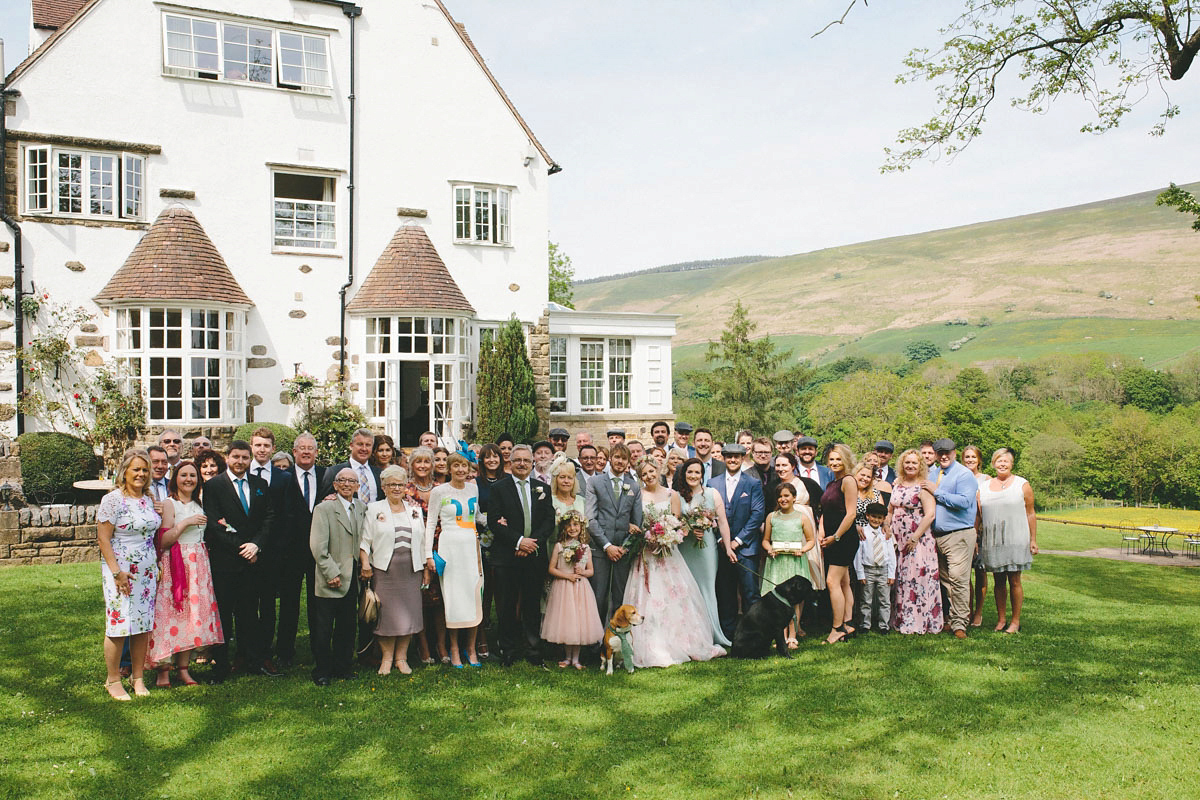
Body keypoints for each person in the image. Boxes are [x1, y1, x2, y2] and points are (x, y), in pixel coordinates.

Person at [623, 460, 725, 667]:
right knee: (648, 595)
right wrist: (641, 532)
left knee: (675, 596)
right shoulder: (637, 495)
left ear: (658, 470)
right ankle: (650, 643)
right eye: (644, 474)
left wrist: (666, 535)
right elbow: (630, 520)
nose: (649, 476)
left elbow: (677, 522)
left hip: (669, 554)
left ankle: (682, 641)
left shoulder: (673, 495)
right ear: (640, 477)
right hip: (646, 554)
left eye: (651, 471)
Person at [203, 439, 280, 681]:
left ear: (250, 460)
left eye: (245, 458)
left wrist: (256, 545)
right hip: (226, 561)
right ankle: (221, 665)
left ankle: (252, 660)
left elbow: (269, 517)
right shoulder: (215, 486)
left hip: (253, 562)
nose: (240, 462)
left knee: (249, 614)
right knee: (224, 615)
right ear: (227, 458)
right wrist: (242, 547)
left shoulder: (260, 484)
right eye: (236, 457)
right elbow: (215, 523)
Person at [146, 460, 222, 688]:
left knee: (191, 617)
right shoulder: (170, 504)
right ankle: (163, 672)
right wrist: (186, 523)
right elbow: (164, 540)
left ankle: (184, 669)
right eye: (183, 475)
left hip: (198, 563)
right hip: (177, 563)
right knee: (171, 615)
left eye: (192, 475)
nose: (188, 479)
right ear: (175, 479)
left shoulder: (200, 503)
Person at [98, 449, 161, 700]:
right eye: (136, 469)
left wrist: (156, 564)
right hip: (120, 570)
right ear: (124, 472)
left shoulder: (147, 498)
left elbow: (151, 534)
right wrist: (116, 572)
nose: (141, 474)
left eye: (145, 470)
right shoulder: (113, 500)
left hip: (146, 572)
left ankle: (138, 678)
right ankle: (113, 680)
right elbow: (103, 538)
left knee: (142, 625)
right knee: (119, 624)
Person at [360, 465, 431, 675]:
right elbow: (365, 540)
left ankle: (402, 658)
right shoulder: (374, 509)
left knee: (408, 614)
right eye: (392, 484)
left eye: (400, 484)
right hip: (384, 570)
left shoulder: (415, 509)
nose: (396, 488)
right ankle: (386, 658)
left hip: (411, 569)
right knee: (387, 616)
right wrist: (365, 563)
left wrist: (426, 568)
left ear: (405, 487)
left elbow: (423, 541)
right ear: (383, 487)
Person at [487, 444, 553, 666]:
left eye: (526, 460)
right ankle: (509, 649)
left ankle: (534, 649)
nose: (522, 464)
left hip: (534, 556)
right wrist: (518, 541)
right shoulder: (499, 488)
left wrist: (532, 543)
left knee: (532, 603)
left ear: (532, 462)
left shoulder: (542, 488)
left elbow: (548, 521)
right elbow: (493, 521)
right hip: (508, 556)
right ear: (510, 463)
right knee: (507, 605)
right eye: (518, 460)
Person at [309, 468, 366, 686]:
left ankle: (343, 667)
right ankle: (322, 670)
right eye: (342, 480)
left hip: (353, 576)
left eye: (352, 481)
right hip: (330, 575)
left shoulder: (361, 508)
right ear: (334, 485)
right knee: (324, 627)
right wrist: (330, 572)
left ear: (357, 486)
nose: (347, 484)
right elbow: (317, 546)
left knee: (347, 625)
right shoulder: (324, 509)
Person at [426, 453, 483, 667]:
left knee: (473, 595)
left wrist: (497, 520)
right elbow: (431, 523)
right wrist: (428, 555)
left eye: (464, 466)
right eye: (456, 466)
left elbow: (476, 517)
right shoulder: (439, 491)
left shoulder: (473, 488)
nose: (460, 470)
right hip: (450, 547)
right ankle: (455, 648)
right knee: (453, 599)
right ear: (449, 469)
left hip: (471, 547)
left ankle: (471, 647)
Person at [672, 458, 735, 648]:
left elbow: (722, 522)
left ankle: (710, 633)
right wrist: (688, 528)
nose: (693, 476)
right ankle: (687, 636)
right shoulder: (677, 496)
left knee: (707, 589)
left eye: (697, 472)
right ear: (684, 474)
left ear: (702, 475)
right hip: (685, 547)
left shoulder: (712, 494)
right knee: (686, 590)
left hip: (706, 549)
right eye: (689, 472)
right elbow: (673, 523)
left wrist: (728, 547)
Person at [275, 432, 325, 669]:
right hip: (289, 551)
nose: (306, 452)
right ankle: (285, 652)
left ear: (316, 452)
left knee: (318, 603)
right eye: (301, 448)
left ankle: (319, 650)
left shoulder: (326, 477)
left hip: (318, 550)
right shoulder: (282, 478)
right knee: (288, 604)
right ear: (294, 452)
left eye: (310, 448)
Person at [977, 447, 1038, 634]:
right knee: (998, 580)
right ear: (993, 463)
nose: (1002, 464)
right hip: (993, 539)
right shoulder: (984, 487)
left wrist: (1033, 539)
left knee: (1015, 580)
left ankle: (1015, 621)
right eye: (999, 460)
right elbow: (978, 516)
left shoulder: (1022, 484)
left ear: (1012, 464)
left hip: (1016, 538)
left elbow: (1030, 513)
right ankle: (1001, 619)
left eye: (1006, 461)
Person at [709, 443, 765, 641]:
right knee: (725, 593)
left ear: (742, 459)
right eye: (729, 456)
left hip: (746, 549)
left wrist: (738, 541)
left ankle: (754, 635)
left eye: (736, 457)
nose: (732, 460)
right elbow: (709, 516)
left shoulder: (752, 483)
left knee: (750, 593)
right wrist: (723, 542)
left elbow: (757, 514)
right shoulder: (712, 483)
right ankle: (729, 635)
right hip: (722, 549)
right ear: (723, 459)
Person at [926, 438, 979, 639]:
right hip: (937, 536)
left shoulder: (963, 475)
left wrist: (937, 492)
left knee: (959, 580)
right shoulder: (933, 473)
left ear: (955, 453)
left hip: (959, 534)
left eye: (947, 452)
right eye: (940, 453)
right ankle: (951, 618)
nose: (944, 456)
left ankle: (960, 624)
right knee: (946, 580)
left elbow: (964, 502)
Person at [584, 444, 643, 625]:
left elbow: (637, 523)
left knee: (619, 596)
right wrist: (607, 546)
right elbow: (590, 519)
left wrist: (624, 548)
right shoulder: (595, 482)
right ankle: (595, 642)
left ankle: (616, 639)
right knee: (599, 596)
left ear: (627, 463)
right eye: (616, 457)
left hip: (623, 553)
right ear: (610, 459)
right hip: (600, 549)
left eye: (623, 459)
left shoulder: (633, 486)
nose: (620, 461)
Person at [888, 449, 942, 634]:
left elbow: (930, 515)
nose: (910, 466)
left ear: (920, 466)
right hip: (898, 539)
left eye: (914, 463)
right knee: (901, 578)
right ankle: (900, 618)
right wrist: (887, 529)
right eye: (907, 462)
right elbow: (890, 510)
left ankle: (918, 621)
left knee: (916, 578)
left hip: (918, 539)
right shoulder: (897, 484)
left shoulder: (924, 486)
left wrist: (915, 537)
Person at [541, 511, 604, 669]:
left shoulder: (585, 548)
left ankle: (576, 659)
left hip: (580, 588)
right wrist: (566, 576)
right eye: (568, 525)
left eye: (575, 525)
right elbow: (551, 569)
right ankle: (567, 657)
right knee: (566, 622)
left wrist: (582, 572)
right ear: (564, 527)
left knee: (579, 622)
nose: (572, 528)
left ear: (581, 527)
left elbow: (591, 571)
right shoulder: (559, 546)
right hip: (563, 587)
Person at [761, 483, 815, 648]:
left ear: (793, 498)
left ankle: (793, 635)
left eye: (786, 496)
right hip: (777, 562)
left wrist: (803, 550)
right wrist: (769, 549)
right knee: (777, 599)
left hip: (794, 562)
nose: (783, 499)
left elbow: (811, 540)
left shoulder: (802, 517)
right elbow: (765, 540)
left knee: (794, 600)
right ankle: (780, 635)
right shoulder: (772, 517)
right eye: (780, 496)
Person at [405, 447, 446, 665]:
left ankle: (441, 645)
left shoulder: (442, 489)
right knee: (419, 599)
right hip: (415, 550)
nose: (422, 465)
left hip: (442, 549)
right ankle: (423, 645)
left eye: (426, 462)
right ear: (411, 465)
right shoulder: (405, 491)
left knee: (441, 600)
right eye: (418, 462)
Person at [819, 444, 859, 644]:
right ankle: (848, 623)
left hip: (844, 539)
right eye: (831, 459)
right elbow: (825, 513)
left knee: (832, 582)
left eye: (838, 459)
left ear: (846, 461)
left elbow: (851, 513)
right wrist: (822, 534)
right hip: (832, 539)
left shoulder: (849, 481)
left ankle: (836, 629)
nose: (834, 463)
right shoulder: (830, 484)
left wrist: (835, 537)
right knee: (843, 583)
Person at [853, 502, 896, 634]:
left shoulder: (886, 533)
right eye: (873, 516)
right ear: (867, 516)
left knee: (885, 600)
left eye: (879, 518)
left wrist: (891, 574)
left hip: (883, 570)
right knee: (866, 599)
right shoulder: (862, 533)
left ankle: (884, 626)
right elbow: (858, 555)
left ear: (883, 519)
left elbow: (891, 555)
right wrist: (861, 574)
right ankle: (865, 624)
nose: (876, 520)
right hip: (868, 570)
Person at [961, 444, 990, 627]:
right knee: (963, 573)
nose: (970, 460)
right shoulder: (959, 477)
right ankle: (967, 610)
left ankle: (978, 612)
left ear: (979, 459)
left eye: (973, 457)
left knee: (980, 571)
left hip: (981, 530)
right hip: (962, 527)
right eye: (967, 457)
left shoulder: (986, 480)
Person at [319, 428, 383, 505]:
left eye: (368, 445)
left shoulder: (379, 473)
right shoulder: (334, 472)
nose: (364, 448)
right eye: (360, 444)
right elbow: (321, 502)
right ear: (351, 446)